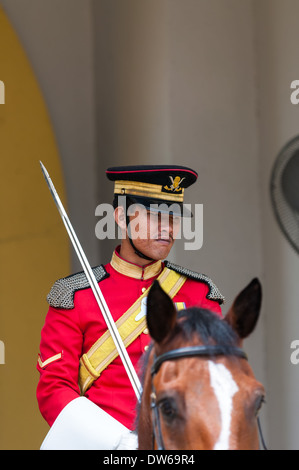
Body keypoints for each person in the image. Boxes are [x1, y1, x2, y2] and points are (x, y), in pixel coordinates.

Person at [36, 165, 224, 449]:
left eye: (173, 217)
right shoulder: (76, 296)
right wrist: (117, 443)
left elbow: (219, 381)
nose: (167, 228)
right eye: (155, 216)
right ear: (122, 218)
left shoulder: (199, 293)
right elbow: (55, 390)